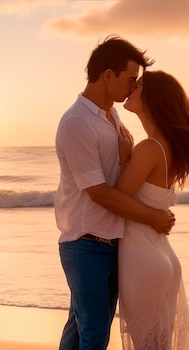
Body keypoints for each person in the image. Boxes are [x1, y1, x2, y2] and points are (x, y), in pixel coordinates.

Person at [54, 35, 175, 350]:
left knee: (80, 332)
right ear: (108, 76)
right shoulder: (77, 123)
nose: (133, 87)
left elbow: (119, 179)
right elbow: (99, 193)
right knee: (94, 334)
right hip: (86, 242)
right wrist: (153, 217)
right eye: (130, 79)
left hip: (109, 243)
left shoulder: (111, 115)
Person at [116, 70, 189, 350]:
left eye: (138, 85)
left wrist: (124, 158)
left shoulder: (149, 148)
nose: (132, 87)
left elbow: (116, 200)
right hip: (161, 257)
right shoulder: (165, 147)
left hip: (143, 259)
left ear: (152, 99)